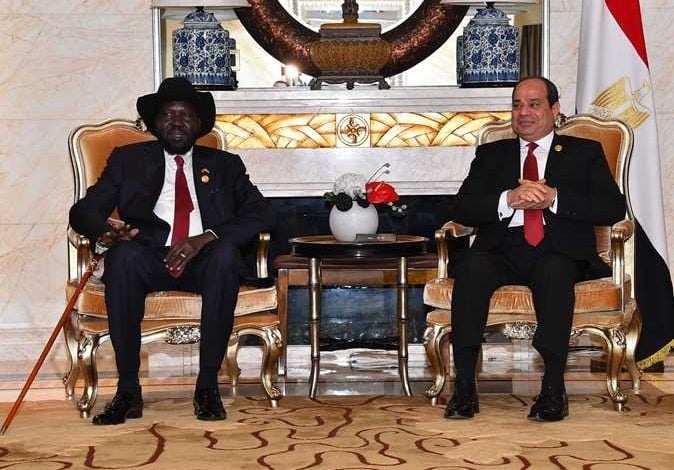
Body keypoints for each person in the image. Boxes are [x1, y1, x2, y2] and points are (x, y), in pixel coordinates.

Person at [69, 77, 275, 425]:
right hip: (149, 257)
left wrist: (205, 238)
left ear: (198, 123)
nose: (177, 122)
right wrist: (106, 232)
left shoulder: (225, 165)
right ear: (155, 123)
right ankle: (128, 390)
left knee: (225, 256)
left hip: (204, 260)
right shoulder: (128, 160)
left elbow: (262, 213)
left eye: (185, 115)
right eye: (168, 114)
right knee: (123, 258)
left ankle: (207, 387)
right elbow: (84, 211)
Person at [445, 77, 626, 422]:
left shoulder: (583, 152)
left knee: (554, 271)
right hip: (502, 250)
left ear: (555, 110)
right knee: (471, 268)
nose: (523, 112)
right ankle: (464, 386)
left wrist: (554, 198)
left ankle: (553, 388)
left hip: (558, 250)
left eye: (534, 104)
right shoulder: (492, 154)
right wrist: (507, 199)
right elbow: (461, 208)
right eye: (517, 105)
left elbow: (613, 208)